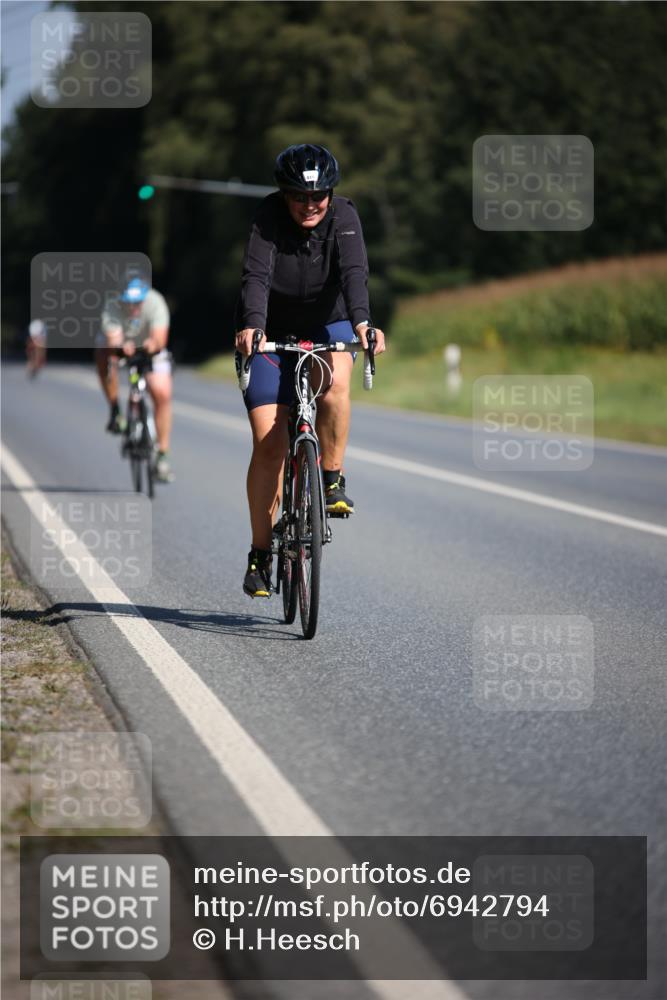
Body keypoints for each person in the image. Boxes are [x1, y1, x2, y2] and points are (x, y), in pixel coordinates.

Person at [235, 143, 386, 598]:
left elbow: (355, 272)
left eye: (318, 195)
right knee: (269, 444)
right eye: (299, 196)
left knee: (337, 380)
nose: (310, 205)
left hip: (329, 320)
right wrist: (252, 327)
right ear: (284, 195)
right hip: (270, 329)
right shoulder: (267, 219)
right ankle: (261, 555)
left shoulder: (344, 216)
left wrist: (363, 322)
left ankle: (332, 477)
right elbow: (255, 277)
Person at [96, 275, 174, 483]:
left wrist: (152, 344)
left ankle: (162, 455)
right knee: (103, 355)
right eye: (129, 302)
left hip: (150, 349)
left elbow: (160, 339)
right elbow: (113, 338)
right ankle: (115, 411)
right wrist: (121, 346)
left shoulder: (155, 302)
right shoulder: (112, 307)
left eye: (137, 302)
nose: (133, 307)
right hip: (122, 346)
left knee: (162, 392)